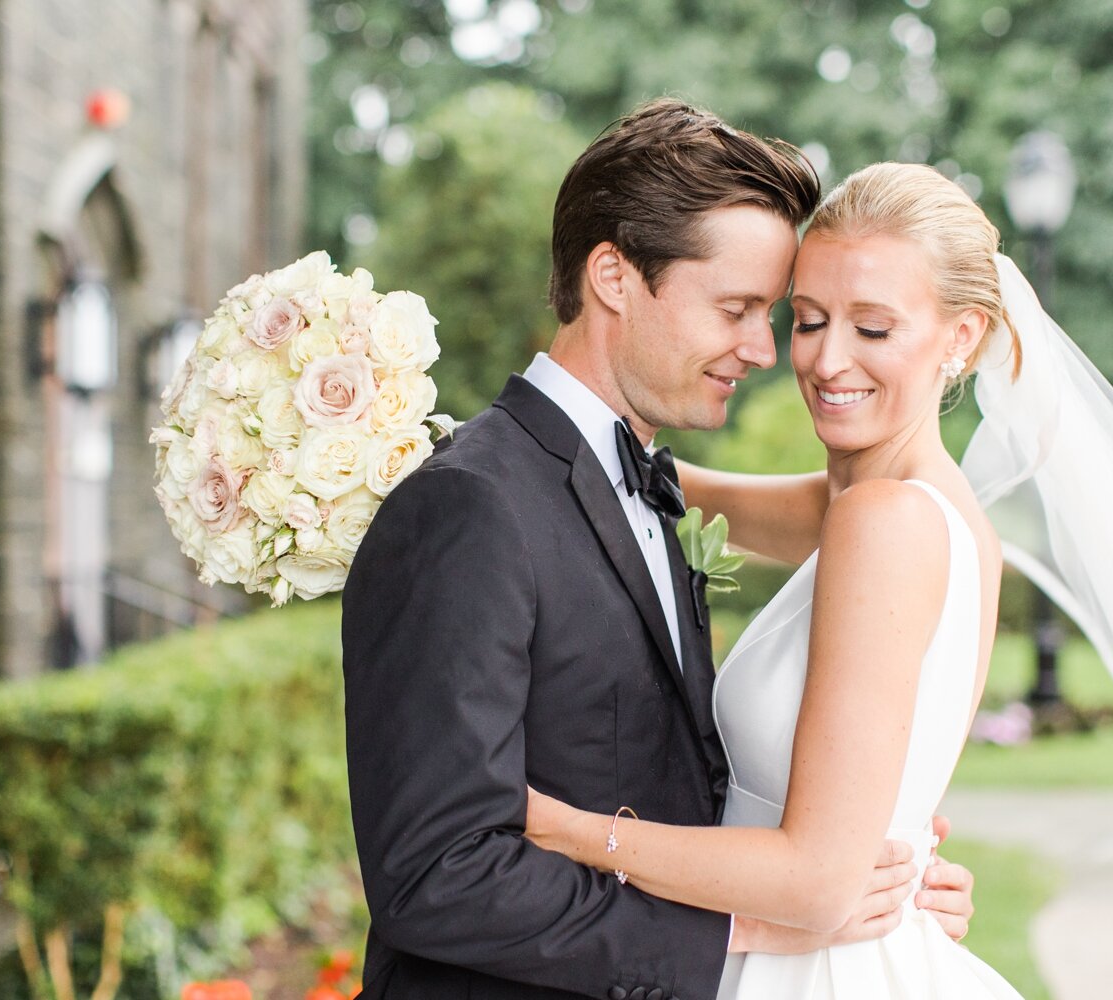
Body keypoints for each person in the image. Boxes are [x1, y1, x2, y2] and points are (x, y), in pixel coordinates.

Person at [525, 162, 1113, 998]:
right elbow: (701, 495)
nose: (826, 361)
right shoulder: (932, 509)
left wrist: (560, 828)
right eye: (810, 318)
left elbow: (819, 881)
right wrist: (569, 443)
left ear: (962, 338)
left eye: (874, 328)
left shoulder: (882, 522)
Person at [341, 105, 978, 1000]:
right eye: (737, 309)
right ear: (613, 276)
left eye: (771, 314)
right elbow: (433, 874)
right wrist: (736, 931)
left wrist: (890, 875)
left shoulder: (640, 480)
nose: (764, 350)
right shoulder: (470, 507)